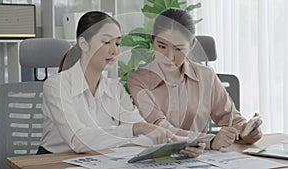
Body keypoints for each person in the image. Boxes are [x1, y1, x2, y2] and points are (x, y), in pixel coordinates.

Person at [38, 11, 205, 157]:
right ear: (84, 44)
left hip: (98, 159)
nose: (114, 50)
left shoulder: (114, 88)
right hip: (53, 161)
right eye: (106, 42)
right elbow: (77, 140)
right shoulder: (56, 86)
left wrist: (184, 143)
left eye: (117, 43)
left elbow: (143, 134)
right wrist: (135, 129)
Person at [128, 8, 262, 150]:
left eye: (178, 49)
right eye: (162, 46)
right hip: (156, 158)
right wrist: (209, 141)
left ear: (192, 45)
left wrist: (246, 132)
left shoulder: (206, 76)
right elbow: (162, 129)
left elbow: (231, 119)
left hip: (201, 159)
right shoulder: (138, 80)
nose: (169, 56)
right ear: (152, 40)